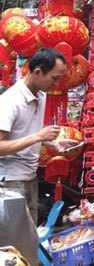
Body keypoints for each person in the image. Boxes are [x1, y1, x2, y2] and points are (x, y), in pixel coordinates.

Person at [0, 48, 76, 225]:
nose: (56, 84)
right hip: (11, 180)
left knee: (29, 233)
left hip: (30, 176)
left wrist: (53, 143)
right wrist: (37, 137)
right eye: (54, 78)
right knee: (13, 238)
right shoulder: (10, 101)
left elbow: (24, 133)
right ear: (37, 72)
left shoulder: (40, 96)